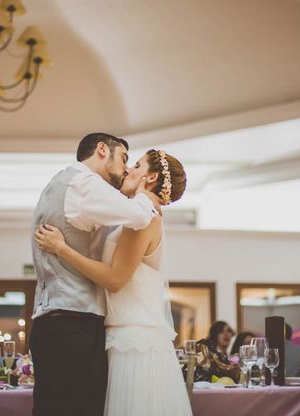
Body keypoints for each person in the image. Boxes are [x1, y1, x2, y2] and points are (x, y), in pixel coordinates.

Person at [36, 148, 191, 416]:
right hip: (126, 338)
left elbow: (115, 279)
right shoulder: (135, 215)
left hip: (133, 345)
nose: (129, 169)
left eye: (137, 165)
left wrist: (62, 249)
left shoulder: (144, 218)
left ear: (151, 177)